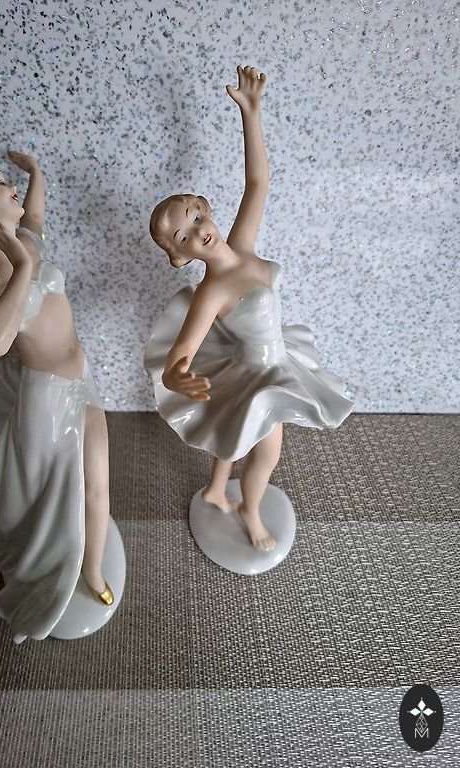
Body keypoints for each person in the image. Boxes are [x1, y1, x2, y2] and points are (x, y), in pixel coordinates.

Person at [144, 66, 354, 551]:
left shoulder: (242, 244)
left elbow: (258, 182)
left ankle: (216, 490)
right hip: (259, 373)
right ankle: (250, 511)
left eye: (197, 217)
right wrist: (176, 378)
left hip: (278, 357)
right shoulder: (211, 293)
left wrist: (251, 115)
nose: (198, 231)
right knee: (265, 451)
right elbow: (180, 355)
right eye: (183, 236)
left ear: (207, 210)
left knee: (235, 430)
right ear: (181, 256)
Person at [0, 150, 114, 643]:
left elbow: (33, 215)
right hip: (49, 401)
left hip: (83, 377)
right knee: (54, 494)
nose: (11, 186)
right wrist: (18, 267)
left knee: (98, 483)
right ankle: (57, 565)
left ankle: (93, 567)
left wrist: (36, 173)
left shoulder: (26, 243)